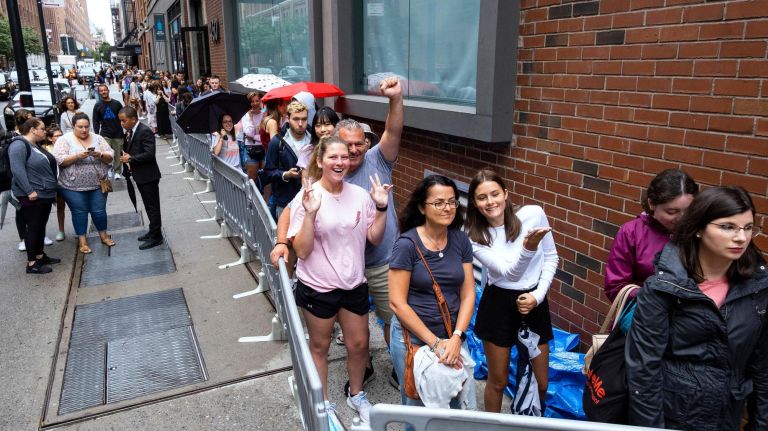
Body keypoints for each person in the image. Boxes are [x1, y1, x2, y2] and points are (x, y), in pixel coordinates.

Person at [270, 77, 404, 389]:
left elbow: (394, 131)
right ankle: (365, 370)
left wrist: (396, 100)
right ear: (333, 148)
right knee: (352, 337)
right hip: (335, 271)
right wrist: (280, 242)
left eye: (359, 144)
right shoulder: (320, 175)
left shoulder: (378, 160)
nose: (352, 151)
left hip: (380, 261)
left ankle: (399, 367)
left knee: (391, 321)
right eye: (345, 146)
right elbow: (291, 212)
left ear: (366, 144)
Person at [626, 186, 768, 430]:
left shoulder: (757, 287)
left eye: (747, 227)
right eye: (728, 227)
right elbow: (643, 372)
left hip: (726, 416)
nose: (741, 238)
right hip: (672, 415)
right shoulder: (663, 288)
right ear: (699, 228)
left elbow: (763, 368)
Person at [287, 136, 390, 425]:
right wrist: (310, 214)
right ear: (320, 161)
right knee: (320, 347)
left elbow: (373, 237)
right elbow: (303, 251)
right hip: (318, 287)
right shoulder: (307, 196)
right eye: (333, 157)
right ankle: (322, 404)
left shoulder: (359, 194)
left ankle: (356, 395)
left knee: (359, 344)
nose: (340, 162)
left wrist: (381, 208)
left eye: (344, 157)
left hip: (353, 283)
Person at [465, 168, 558, 412]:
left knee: (542, 381)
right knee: (498, 381)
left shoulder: (534, 214)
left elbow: (551, 257)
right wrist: (528, 248)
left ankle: (530, 423)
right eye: (482, 197)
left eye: (494, 194)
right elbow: (509, 273)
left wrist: (538, 296)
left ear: (505, 193)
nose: (490, 201)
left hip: (534, 300)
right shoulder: (475, 237)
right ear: (474, 203)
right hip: (498, 304)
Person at [388, 175, 476, 410]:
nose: (447, 208)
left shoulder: (460, 240)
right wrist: (436, 344)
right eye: (439, 202)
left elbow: (468, 294)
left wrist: (457, 337)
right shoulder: (406, 245)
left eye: (452, 201)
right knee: (417, 410)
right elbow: (397, 303)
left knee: (457, 406)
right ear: (422, 207)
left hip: (452, 336)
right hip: (413, 339)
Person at [604, 169, 699, 301]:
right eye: (672, 211)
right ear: (652, 204)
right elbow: (615, 287)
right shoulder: (631, 232)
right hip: (643, 316)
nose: (682, 219)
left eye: (688, 211)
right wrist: (656, 295)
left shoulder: (698, 232)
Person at [52, 113, 116, 254]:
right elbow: (59, 160)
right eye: (80, 127)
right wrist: (77, 156)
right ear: (73, 126)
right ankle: (83, 241)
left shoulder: (98, 138)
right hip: (72, 186)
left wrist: (99, 154)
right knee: (79, 213)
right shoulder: (64, 140)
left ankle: (104, 236)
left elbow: (111, 156)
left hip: (98, 184)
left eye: (86, 126)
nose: (84, 130)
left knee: (99, 211)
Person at [9, 118, 61, 274]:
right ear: (32, 129)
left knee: (40, 226)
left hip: (43, 193)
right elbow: (17, 170)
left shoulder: (35, 145)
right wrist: (29, 190)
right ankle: (32, 263)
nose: (45, 131)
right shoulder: (18, 145)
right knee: (33, 228)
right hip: (31, 195)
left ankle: (40, 256)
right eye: (42, 129)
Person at [118, 106, 164, 250]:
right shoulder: (131, 131)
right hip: (140, 175)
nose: (122, 124)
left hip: (148, 176)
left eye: (124, 121)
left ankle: (156, 237)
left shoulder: (144, 131)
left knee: (152, 207)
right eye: (120, 121)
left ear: (133, 119)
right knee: (149, 206)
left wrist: (131, 159)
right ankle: (153, 231)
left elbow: (150, 153)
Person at [263, 100, 310, 219]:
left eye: (304, 119)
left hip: (311, 201)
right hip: (285, 202)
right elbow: (268, 172)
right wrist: (285, 174)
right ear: (288, 118)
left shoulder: (314, 140)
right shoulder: (278, 142)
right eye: (296, 119)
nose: (300, 123)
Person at [92, 84, 125, 180]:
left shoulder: (117, 103)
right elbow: (95, 120)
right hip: (105, 134)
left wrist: (126, 128)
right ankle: (109, 168)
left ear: (108, 90)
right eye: (101, 91)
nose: (103, 92)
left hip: (118, 132)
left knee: (118, 153)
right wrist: (96, 134)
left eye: (104, 90)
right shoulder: (98, 105)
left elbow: (123, 116)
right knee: (106, 153)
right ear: (99, 92)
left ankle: (117, 171)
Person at [43, 126, 66, 241]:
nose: (59, 137)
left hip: (69, 180)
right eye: (56, 136)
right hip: (55, 183)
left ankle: (78, 229)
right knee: (60, 207)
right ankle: (61, 231)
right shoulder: (46, 149)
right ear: (50, 138)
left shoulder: (67, 146)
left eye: (61, 135)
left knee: (75, 206)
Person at [240, 91, 265, 180]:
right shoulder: (246, 116)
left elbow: (265, 135)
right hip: (250, 149)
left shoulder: (264, 115)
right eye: (252, 101)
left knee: (265, 178)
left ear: (260, 101)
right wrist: (251, 119)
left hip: (264, 148)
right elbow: (249, 133)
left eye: (257, 100)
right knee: (252, 178)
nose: (255, 103)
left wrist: (254, 137)